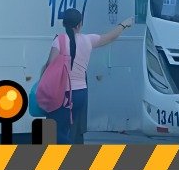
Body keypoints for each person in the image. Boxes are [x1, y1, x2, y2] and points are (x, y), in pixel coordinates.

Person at [38, 9, 133, 144]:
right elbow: (111, 36)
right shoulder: (88, 40)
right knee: (69, 128)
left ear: (64, 23)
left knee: (56, 132)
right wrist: (124, 24)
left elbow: (49, 66)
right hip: (80, 94)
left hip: (61, 93)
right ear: (79, 24)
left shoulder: (59, 41)